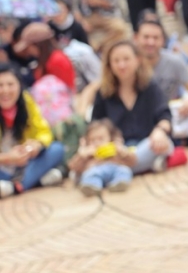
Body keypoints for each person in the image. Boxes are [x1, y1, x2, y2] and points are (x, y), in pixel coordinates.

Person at [91, 40, 173, 174]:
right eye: (116, 61)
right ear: (109, 65)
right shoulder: (103, 93)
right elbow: (95, 124)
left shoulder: (150, 87)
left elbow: (165, 116)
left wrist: (160, 131)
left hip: (148, 144)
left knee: (163, 144)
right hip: (119, 149)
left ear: (137, 60)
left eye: (126, 59)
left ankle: (113, 168)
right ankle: (132, 166)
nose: (121, 65)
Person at [0, 64, 65, 198]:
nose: (5, 90)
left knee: (57, 149)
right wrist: (7, 158)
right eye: (0, 85)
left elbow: (43, 131)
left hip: (23, 164)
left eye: (10, 84)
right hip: (3, 166)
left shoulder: (26, 101)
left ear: (19, 85)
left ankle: (14, 187)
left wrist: (36, 145)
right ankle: (32, 182)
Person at [68, 119, 135, 197]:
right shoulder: (88, 155)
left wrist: (124, 152)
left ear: (110, 138)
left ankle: (119, 183)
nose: (97, 143)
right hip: (95, 172)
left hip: (114, 171)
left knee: (124, 170)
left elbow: (133, 162)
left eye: (101, 139)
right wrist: (82, 155)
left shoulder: (116, 151)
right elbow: (73, 167)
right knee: (89, 174)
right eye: (93, 140)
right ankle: (92, 187)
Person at [12, 22, 75, 91]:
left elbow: (64, 90)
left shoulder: (57, 60)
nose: (28, 51)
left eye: (28, 47)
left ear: (37, 44)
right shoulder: (45, 59)